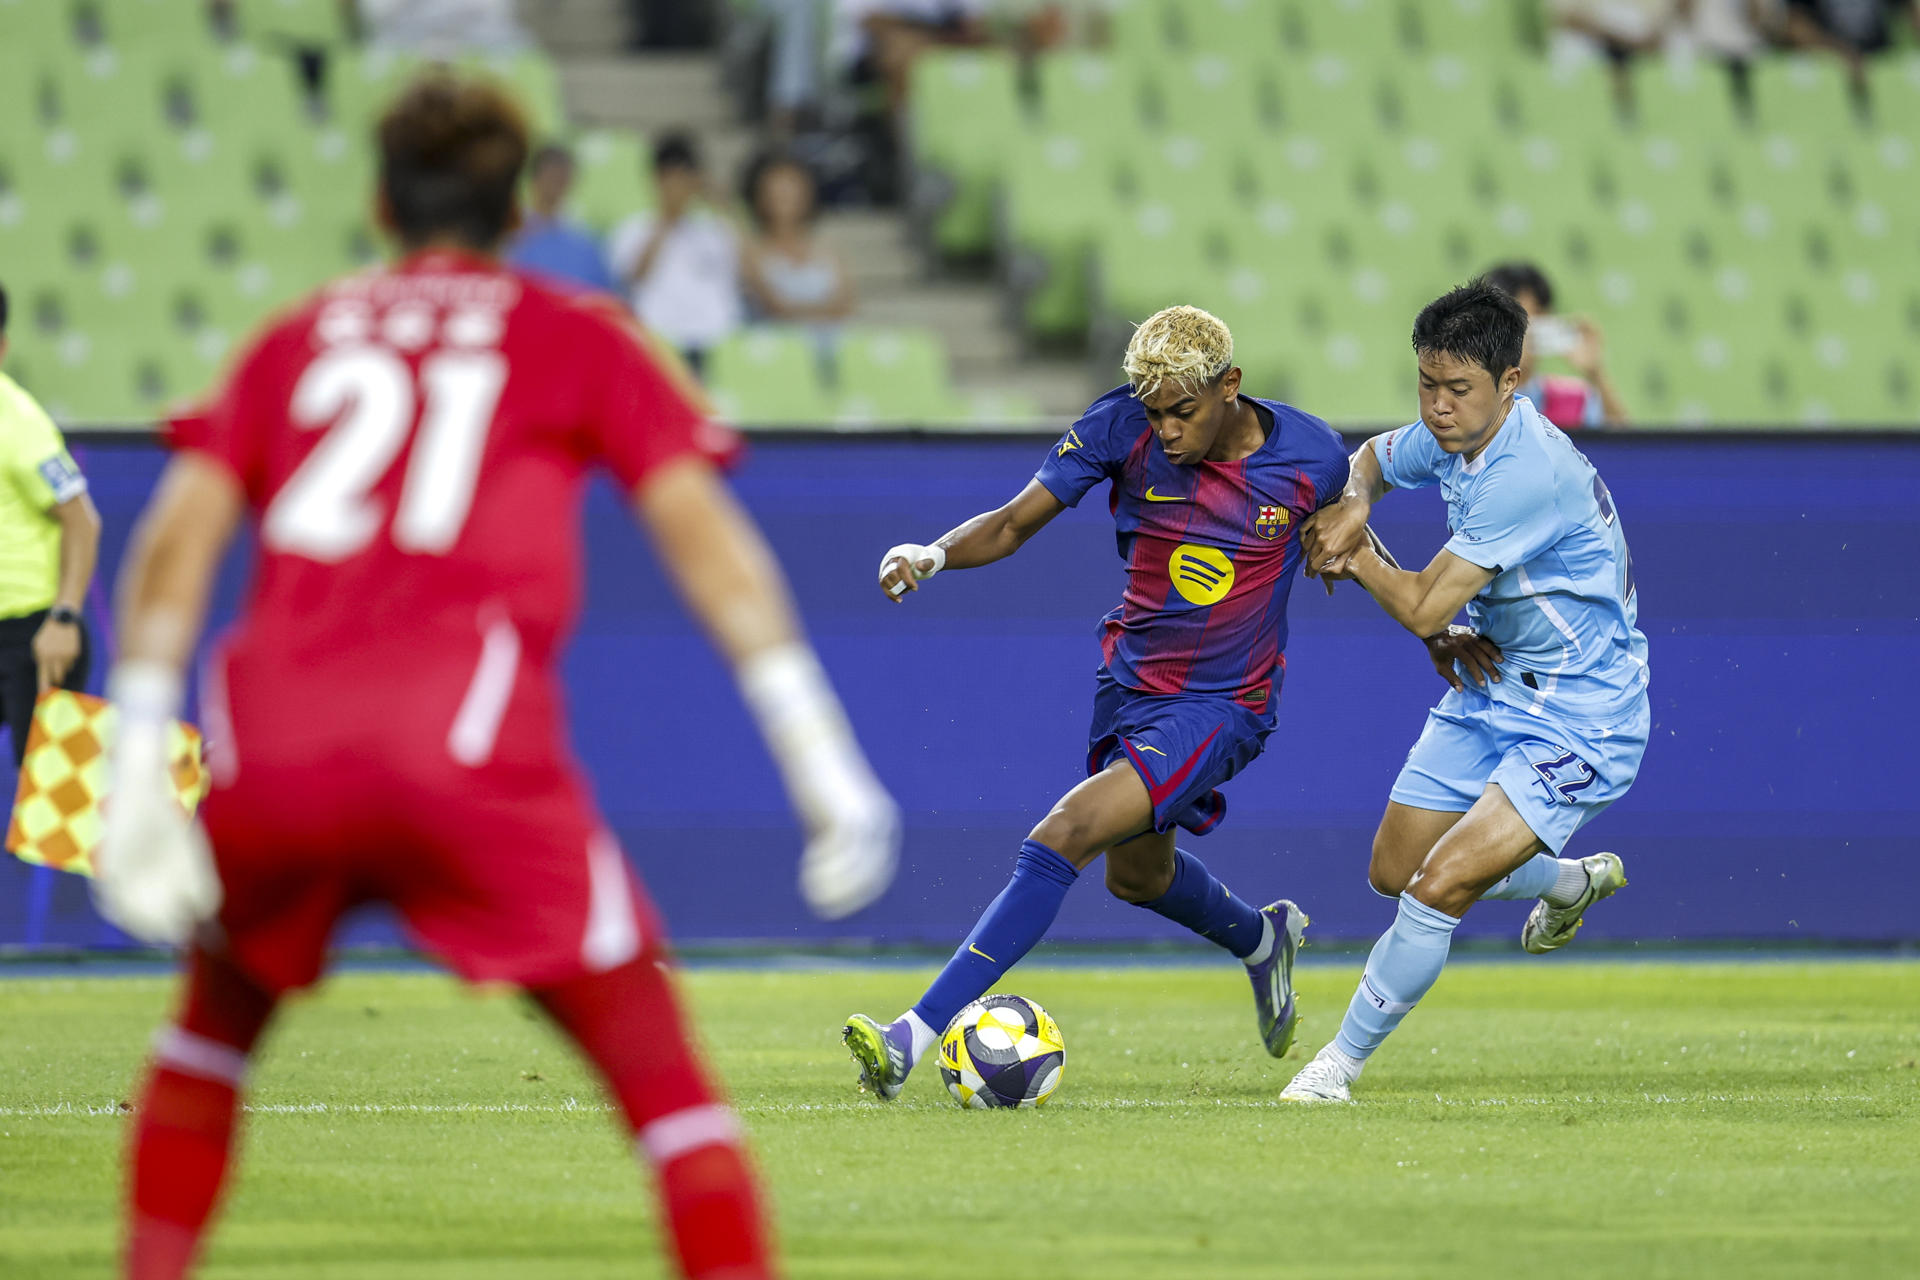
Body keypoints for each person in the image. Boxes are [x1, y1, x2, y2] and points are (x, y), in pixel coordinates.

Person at [91, 73, 899, 1280]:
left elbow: (173, 541)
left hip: (274, 749)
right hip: (461, 753)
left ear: (378, 204)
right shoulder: (574, 333)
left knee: (210, 1033)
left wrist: (130, 752)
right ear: (520, 212)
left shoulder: (294, 335)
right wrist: (820, 754)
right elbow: (708, 541)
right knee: (665, 1085)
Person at [840, 305, 1355, 1100]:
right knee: (1138, 878)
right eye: (1155, 413)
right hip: (1130, 686)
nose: (1168, 431)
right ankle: (1262, 937)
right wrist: (935, 552)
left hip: (1223, 704)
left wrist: (1434, 621)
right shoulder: (1119, 428)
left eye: (1183, 411)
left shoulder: (1311, 454)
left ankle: (913, 1034)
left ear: (1231, 387)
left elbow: (1349, 532)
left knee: (1063, 834)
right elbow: (1014, 523)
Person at [1281, 279, 1650, 1105]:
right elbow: (1370, 459)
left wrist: (1355, 544)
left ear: (1509, 383)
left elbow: (1416, 604)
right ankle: (1565, 882)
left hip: (1582, 715)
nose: (1439, 408)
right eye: (1427, 384)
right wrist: (1354, 499)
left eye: (1458, 390)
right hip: (1490, 680)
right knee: (1394, 869)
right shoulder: (1454, 436)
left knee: (1437, 886)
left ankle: (1337, 1066)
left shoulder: (1528, 471)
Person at [0, 281, 102, 767]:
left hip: (34, 635)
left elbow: (83, 520)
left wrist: (64, 618)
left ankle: (150, 779)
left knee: (53, 806)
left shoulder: (17, 421)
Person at [607, 133, 743, 377]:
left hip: (715, 347)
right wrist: (669, 215)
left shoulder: (715, 228)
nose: (678, 187)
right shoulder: (633, 230)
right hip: (659, 347)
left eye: (684, 178)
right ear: (656, 179)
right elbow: (634, 277)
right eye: (670, 178)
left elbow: (751, 274)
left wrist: (724, 207)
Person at [1485, 261, 1629, 428]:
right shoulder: (1469, 398)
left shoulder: (1575, 399)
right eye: (1516, 315)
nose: (1527, 326)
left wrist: (1596, 374)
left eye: (1537, 313)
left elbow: (1626, 448)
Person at [740, 152, 854, 351]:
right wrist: (822, 311)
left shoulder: (827, 249)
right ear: (761, 196)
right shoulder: (752, 251)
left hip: (830, 346)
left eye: (791, 187)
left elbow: (845, 305)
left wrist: (799, 311)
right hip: (779, 352)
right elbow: (775, 307)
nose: (785, 196)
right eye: (777, 189)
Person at [507, 142, 621, 296]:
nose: (558, 184)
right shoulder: (511, 232)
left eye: (563, 178)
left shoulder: (584, 242)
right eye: (552, 176)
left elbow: (600, 292)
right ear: (535, 178)